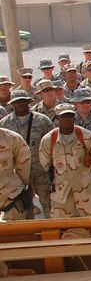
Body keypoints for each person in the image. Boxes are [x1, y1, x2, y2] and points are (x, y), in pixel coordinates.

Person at [39, 103, 91, 218]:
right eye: (63, 116)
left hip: (86, 190)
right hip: (61, 192)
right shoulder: (49, 140)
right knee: (61, 226)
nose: (67, 119)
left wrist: (85, 174)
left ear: (74, 117)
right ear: (57, 118)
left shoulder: (86, 136)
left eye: (70, 115)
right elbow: (45, 163)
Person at [0, 90, 55, 218]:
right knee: (24, 207)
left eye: (23, 101)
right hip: (18, 175)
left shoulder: (42, 120)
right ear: (12, 104)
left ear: (28, 102)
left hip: (41, 170)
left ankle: (52, 232)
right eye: (17, 102)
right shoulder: (5, 124)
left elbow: (53, 143)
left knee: (48, 203)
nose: (20, 104)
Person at [0, 126, 32, 221]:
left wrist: (22, 187)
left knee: (17, 232)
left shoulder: (11, 138)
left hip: (10, 197)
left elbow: (24, 164)